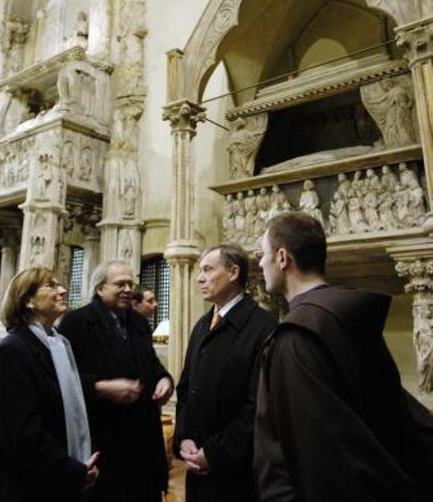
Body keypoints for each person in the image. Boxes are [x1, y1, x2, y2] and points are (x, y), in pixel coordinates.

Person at [255, 212, 433, 502]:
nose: (260, 263)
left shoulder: (296, 336)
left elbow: (314, 454)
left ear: (283, 258)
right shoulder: (346, 316)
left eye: (263, 254)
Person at [58, 260, 173, 502]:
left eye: (130, 283)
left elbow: (151, 364)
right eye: (120, 284)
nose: (128, 289)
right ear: (100, 289)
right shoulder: (76, 323)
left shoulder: (138, 321)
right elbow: (62, 378)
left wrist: (164, 379)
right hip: (104, 437)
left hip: (142, 437)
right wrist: (99, 387)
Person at [0, 266, 99, 502]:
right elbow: (22, 436)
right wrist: (74, 470)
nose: (63, 290)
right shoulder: (13, 351)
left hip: (58, 482)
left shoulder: (58, 345)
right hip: (29, 488)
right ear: (28, 301)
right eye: (52, 285)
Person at [174, 243, 276, 502]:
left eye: (208, 269)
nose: (200, 278)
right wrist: (184, 437)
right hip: (196, 464)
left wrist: (214, 453)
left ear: (233, 272)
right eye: (200, 270)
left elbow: (258, 405)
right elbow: (186, 387)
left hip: (237, 472)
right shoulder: (201, 325)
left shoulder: (263, 327)